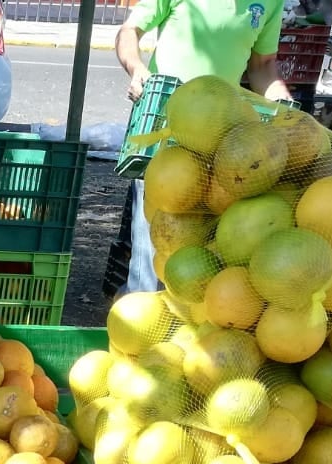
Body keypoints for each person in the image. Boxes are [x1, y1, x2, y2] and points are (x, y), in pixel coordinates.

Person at [113, 0, 294, 293]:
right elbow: (129, 31)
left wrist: (283, 103)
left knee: (203, 245)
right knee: (154, 242)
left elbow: (262, 66)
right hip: (165, 130)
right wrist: (137, 68)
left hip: (223, 145)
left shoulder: (271, 3)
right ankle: (142, 306)